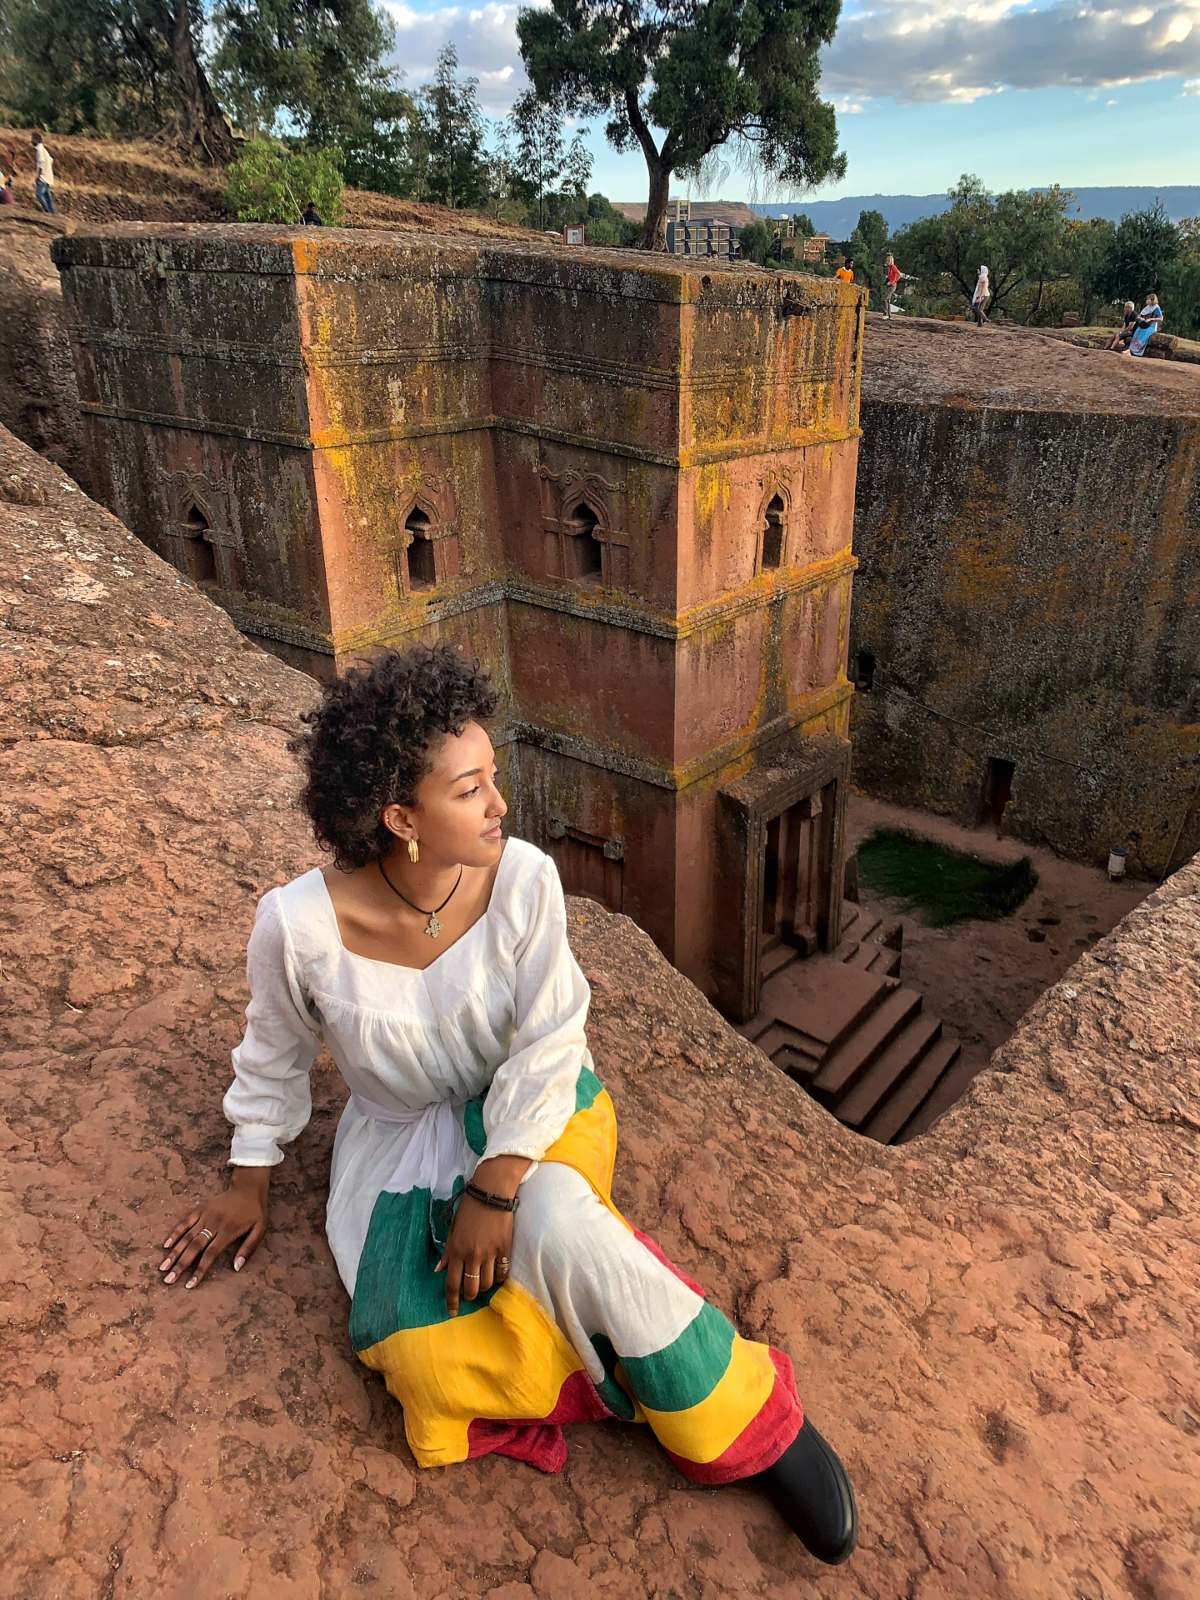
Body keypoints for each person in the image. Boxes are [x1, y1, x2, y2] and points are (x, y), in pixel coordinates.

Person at [157, 643, 859, 1566]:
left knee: (560, 1222)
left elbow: (552, 1031)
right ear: (400, 816)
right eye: (470, 789)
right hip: (397, 1143)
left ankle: (745, 1416)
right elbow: (276, 1051)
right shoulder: (297, 928)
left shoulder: (523, 879)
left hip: (529, 1103)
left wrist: (496, 1185)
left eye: (494, 777)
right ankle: (603, 1372)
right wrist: (250, 1180)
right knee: (412, 1350)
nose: (500, 804)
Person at [1123, 292, 1163, 357]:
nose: (1147, 300)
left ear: (1152, 300)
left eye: (1148, 299)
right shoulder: (1147, 307)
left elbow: (1161, 318)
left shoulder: (1156, 308)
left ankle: (1135, 352)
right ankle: (1130, 350)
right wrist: (1140, 318)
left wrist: (1151, 319)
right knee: (1137, 332)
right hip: (1144, 324)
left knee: (1143, 335)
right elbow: (1141, 315)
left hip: (1151, 326)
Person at [30, 131, 55, 214]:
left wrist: (38, 176)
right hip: (48, 177)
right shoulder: (44, 150)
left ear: (36, 140)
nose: (31, 141)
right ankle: (53, 212)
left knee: (39, 195)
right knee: (47, 196)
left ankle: (47, 211)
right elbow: (51, 160)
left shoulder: (39, 150)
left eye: (32, 139)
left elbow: (41, 163)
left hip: (43, 178)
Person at [883, 253, 901, 319]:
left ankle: (886, 314)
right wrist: (886, 281)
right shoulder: (889, 268)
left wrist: (892, 282)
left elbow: (899, 274)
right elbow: (890, 276)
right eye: (887, 260)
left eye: (889, 260)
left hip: (892, 286)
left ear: (891, 261)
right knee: (888, 300)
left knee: (885, 299)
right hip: (890, 285)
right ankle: (889, 315)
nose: (887, 261)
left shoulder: (893, 267)